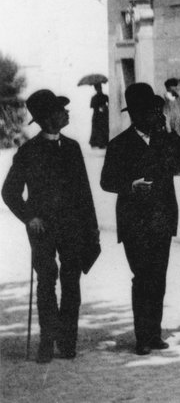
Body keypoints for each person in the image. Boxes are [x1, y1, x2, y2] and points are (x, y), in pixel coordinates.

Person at [3, 89, 100, 362]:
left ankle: (67, 340)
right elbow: (9, 192)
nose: (66, 113)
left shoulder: (72, 148)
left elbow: (84, 193)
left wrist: (91, 229)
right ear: (48, 118)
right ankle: (47, 340)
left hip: (71, 228)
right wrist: (28, 217)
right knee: (46, 282)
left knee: (72, 283)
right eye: (61, 109)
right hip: (42, 228)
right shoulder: (28, 151)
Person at [101, 83, 180, 354]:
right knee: (142, 276)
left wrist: (169, 131)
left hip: (161, 219)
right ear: (136, 114)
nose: (155, 115)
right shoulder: (119, 144)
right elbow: (106, 181)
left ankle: (154, 333)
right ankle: (142, 337)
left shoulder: (164, 141)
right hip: (134, 222)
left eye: (156, 110)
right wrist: (129, 186)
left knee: (158, 276)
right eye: (150, 111)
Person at [88, 82, 110, 149]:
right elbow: (91, 106)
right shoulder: (95, 97)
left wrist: (104, 107)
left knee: (103, 128)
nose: (99, 89)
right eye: (98, 88)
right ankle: (96, 143)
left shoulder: (104, 96)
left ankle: (102, 142)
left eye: (99, 88)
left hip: (103, 115)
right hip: (97, 115)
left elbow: (109, 104)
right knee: (97, 128)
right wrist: (99, 107)